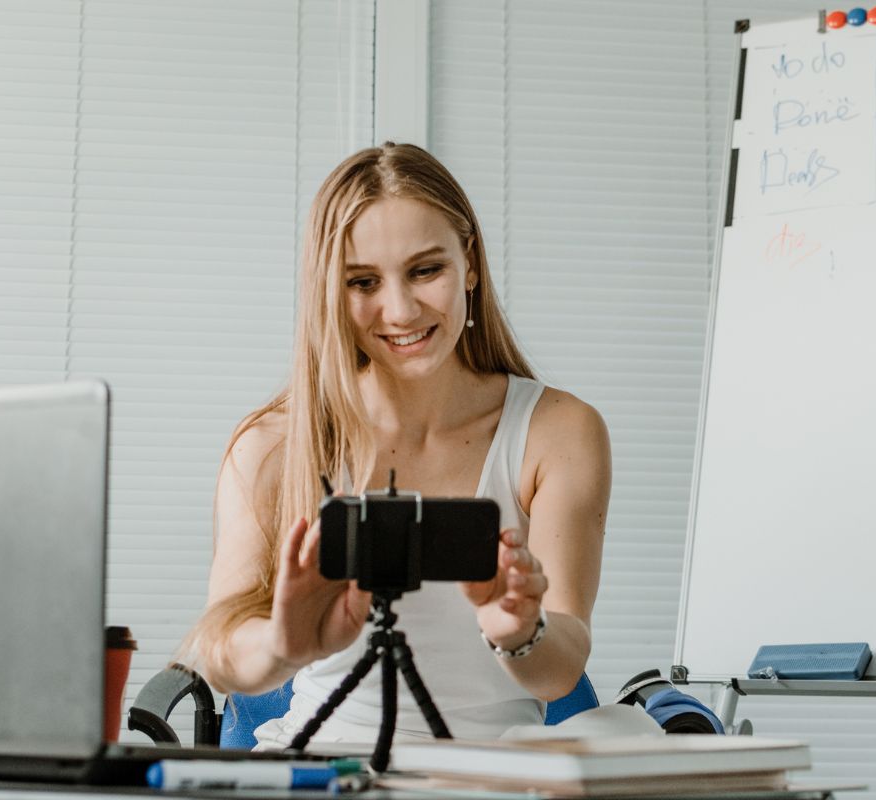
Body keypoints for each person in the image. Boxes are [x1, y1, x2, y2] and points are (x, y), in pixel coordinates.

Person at [186, 142, 611, 748]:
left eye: (425, 270)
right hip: (318, 771)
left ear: (470, 263)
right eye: (363, 281)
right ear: (331, 292)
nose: (401, 309)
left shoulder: (559, 431)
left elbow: (560, 669)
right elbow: (222, 654)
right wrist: (282, 643)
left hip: (491, 780)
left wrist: (521, 631)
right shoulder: (274, 444)